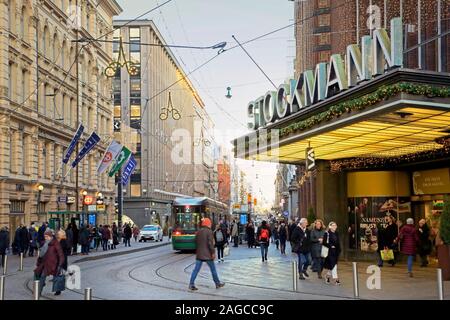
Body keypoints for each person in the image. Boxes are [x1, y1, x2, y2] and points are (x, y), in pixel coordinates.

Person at [188, 218, 225, 291]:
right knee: (213, 269)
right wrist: (213, 252)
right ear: (208, 224)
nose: (211, 224)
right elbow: (210, 244)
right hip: (207, 254)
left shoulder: (198, 231)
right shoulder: (209, 231)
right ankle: (217, 283)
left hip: (199, 254)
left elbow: (195, 241)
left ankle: (191, 284)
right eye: (210, 223)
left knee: (196, 270)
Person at [34, 229, 64, 297]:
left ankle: (58, 290)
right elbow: (41, 255)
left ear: (50, 236)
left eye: (47, 236)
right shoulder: (44, 243)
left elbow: (61, 255)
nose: (46, 238)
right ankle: (38, 291)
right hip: (45, 264)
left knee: (56, 277)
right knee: (41, 276)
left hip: (54, 264)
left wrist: (60, 265)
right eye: (45, 236)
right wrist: (38, 263)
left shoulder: (56, 243)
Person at [55, 230, 70, 296]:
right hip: (60, 261)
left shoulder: (63, 242)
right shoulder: (59, 241)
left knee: (59, 276)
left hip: (61, 261)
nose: (57, 235)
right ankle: (58, 289)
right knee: (59, 275)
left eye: (58, 234)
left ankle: (58, 290)